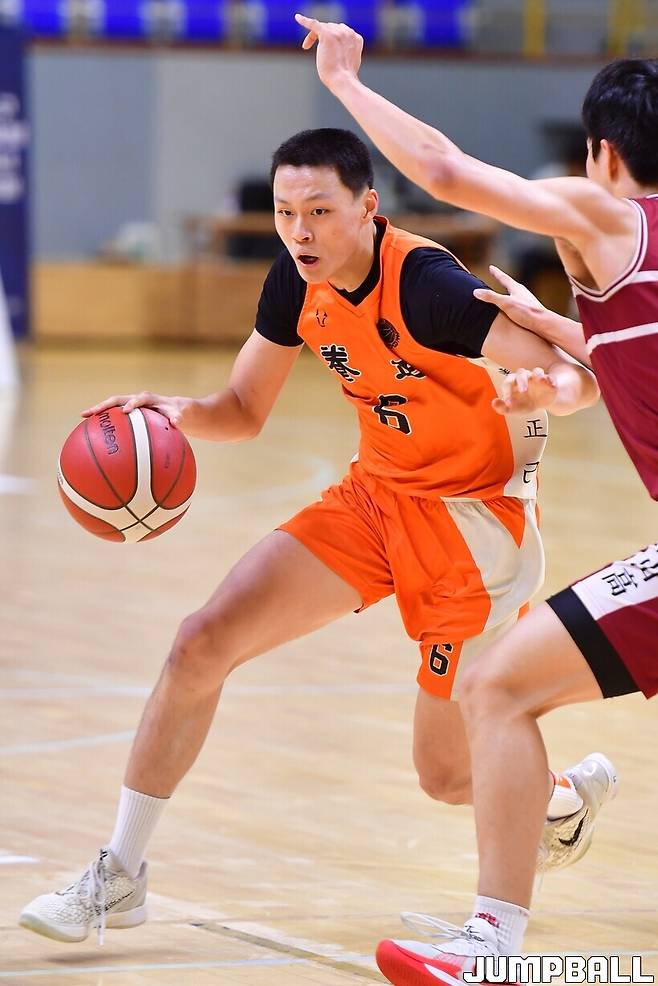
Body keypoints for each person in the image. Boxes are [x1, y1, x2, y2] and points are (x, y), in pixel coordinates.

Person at [19, 127, 600, 945]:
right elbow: (242, 411)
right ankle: (120, 872)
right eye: (286, 211)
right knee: (200, 642)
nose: (300, 231)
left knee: (443, 774)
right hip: (376, 498)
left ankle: (559, 800)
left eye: (320, 210)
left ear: (367, 207)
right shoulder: (296, 280)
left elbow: (575, 373)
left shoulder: (428, 286)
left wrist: (549, 394)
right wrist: (173, 413)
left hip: (472, 527)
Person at [294, 15, 658, 984]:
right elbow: (623, 365)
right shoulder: (628, 280)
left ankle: (491, 947)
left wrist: (346, 84)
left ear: (601, 154)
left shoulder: (610, 215)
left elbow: (445, 171)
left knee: (496, 687)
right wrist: (564, 340)